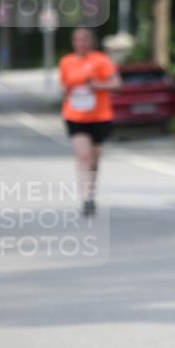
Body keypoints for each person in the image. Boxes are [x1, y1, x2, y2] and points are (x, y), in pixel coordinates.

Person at [58, 28, 120, 216]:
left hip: (99, 116)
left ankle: (91, 192)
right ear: (73, 42)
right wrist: (69, 93)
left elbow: (117, 85)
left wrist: (96, 85)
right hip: (74, 116)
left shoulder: (101, 60)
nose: (81, 43)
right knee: (83, 156)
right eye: (77, 40)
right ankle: (86, 198)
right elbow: (64, 88)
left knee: (94, 159)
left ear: (91, 42)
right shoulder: (66, 62)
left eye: (84, 40)